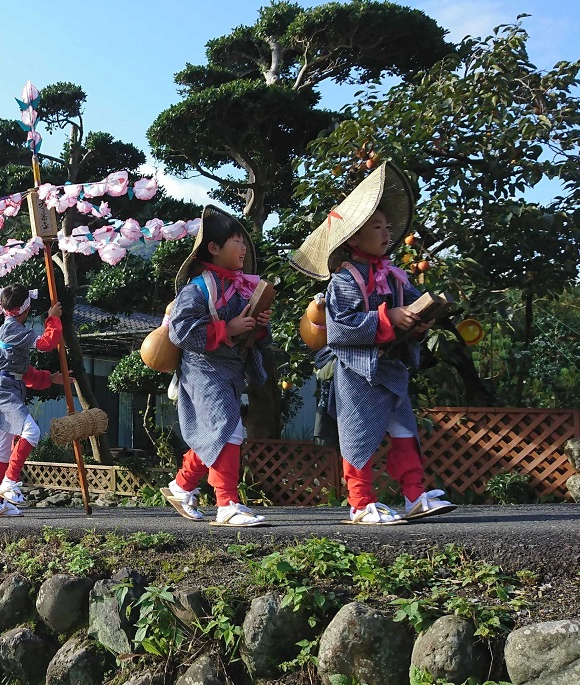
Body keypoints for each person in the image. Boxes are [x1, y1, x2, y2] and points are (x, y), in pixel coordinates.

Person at [289, 161, 456, 525]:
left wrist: (420, 323)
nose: (386, 233)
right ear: (353, 239)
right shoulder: (344, 280)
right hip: (357, 372)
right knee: (358, 433)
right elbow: (341, 328)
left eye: (387, 226)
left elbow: (412, 308)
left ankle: (415, 496)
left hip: (390, 366)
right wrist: (388, 318)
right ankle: (360, 502)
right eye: (376, 227)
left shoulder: (396, 276)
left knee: (404, 431)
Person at [161, 206, 271, 527]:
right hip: (202, 370)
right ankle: (227, 503)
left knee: (218, 430)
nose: (244, 248)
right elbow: (179, 330)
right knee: (228, 428)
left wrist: (258, 324)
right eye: (236, 241)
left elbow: (254, 334)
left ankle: (181, 486)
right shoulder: (197, 288)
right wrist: (228, 328)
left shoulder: (243, 287)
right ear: (214, 247)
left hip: (229, 371)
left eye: (243, 242)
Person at [0, 284, 66, 519]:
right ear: (25, 308)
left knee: (3, 451)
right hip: (4, 391)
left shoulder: (12, 330)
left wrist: (50, 378)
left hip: (7, 389)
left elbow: (23, 372)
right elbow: (47, 343)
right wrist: (52, 319)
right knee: (32, 432)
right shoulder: (13, 330)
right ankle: (10, 481)